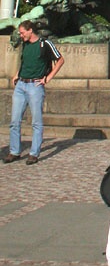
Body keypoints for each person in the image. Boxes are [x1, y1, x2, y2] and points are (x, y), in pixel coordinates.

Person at [5, 20, 64, 165]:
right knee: (14, 121)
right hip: (21, 84)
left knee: (36, 122)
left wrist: (48, 78)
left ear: (30, 30)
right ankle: (14, 151)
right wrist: (17, 74)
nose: (21, 35)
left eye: (22, 32)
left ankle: (34, 153)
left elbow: (60, 60)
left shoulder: (45, 44)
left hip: (35, 86)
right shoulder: (24, 44)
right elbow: (24, 61)